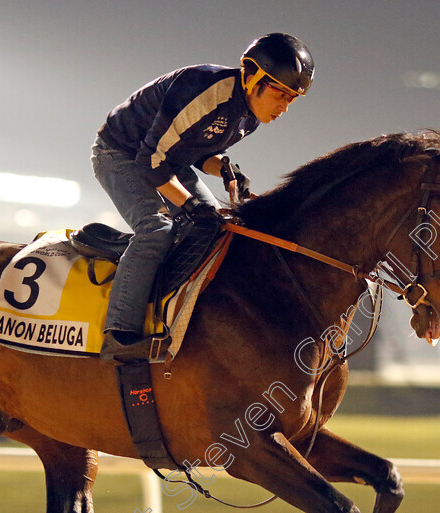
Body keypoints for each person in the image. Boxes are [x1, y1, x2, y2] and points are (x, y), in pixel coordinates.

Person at [92, 33, 314, 361]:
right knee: (157, 229)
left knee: (218, 228)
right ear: (253, 79)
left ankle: (176, 314)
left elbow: (195, 152)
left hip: (165, 160)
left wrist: (222, 165)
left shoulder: (250, 116)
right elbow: (151, 162)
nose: (283, 108)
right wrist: (191, 205)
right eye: (280, 95)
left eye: (291, 100)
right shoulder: (205, 92)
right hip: (122, 153)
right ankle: (119, 335)